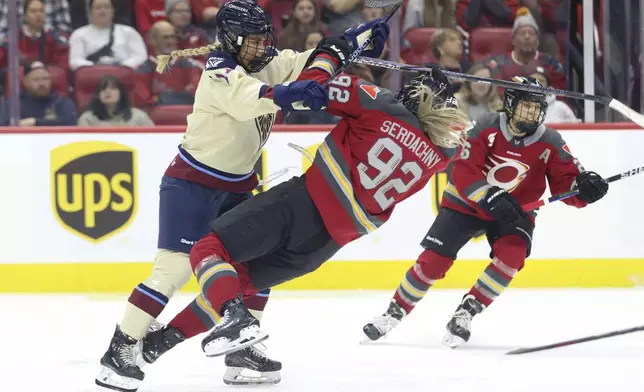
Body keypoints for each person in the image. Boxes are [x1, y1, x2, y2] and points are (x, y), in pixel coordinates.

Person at [140, 26, 470, 369]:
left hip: (303, 204)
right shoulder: (438, 155)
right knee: (235, 284)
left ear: (414, 98)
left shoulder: (381, 105)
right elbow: (444, 134)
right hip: (324, 245)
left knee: (206, 251)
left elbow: (309, 88)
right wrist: (438, 91)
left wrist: (334, 52)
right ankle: (162, 342)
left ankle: (236, 320)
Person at [94, 0, 330, 390]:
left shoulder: (263, 61)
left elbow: (305, 60)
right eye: (252, 41)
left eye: (263, 39)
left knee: (257, 266)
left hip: (238, 187)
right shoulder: (219, 72)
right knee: (173, 271)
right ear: (232, 39)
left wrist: (347, 45)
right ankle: (118, 352)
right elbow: (251, 100)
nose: (261, 47)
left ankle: (240, 350)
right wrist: (292, 94)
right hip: (193, 185)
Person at [362, 76, 609, 348]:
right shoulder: (484, 126)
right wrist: (489, 195)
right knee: (433, 261)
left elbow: (567, 184)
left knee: (512, 257)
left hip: (515, 210)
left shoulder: (551, 141)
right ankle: (393, 313)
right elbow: (464, 171)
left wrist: (583, 189)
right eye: (526, 106)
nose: (532, 113)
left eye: (536, 107)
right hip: (465, 203)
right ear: (510, 104)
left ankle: (467, 310)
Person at [78, 74, 154, 126]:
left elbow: (153, 140)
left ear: (121, 93)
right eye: (103, 89)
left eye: (113, 88)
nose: (107, 91)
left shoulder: (138, 116)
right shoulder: (88, 119)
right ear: (98, 95)